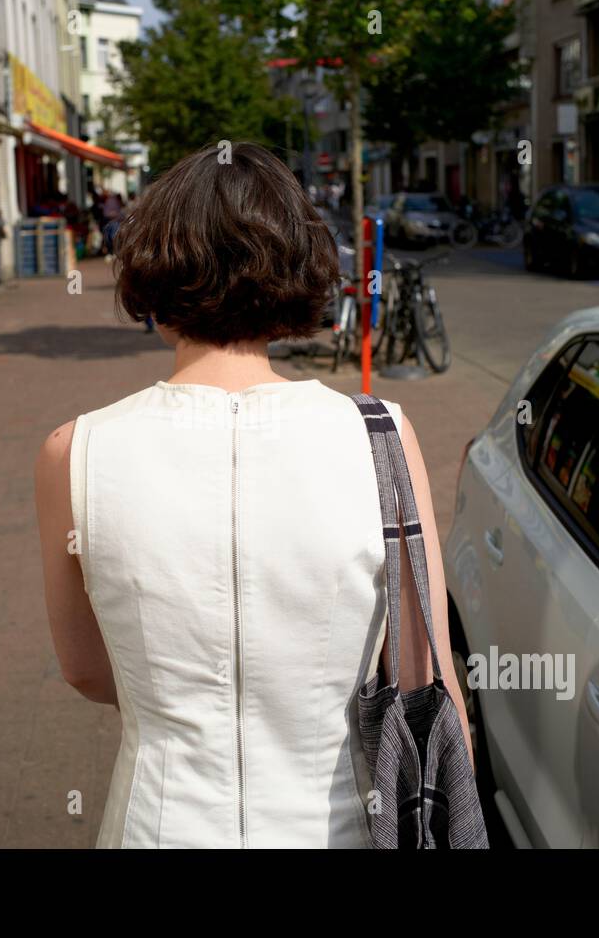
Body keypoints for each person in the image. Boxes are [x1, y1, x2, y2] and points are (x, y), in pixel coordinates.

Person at [33, 142, 475, 848]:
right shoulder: (383, 437)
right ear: (297, 269)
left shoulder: (73, 451)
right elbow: (425, 674)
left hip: (154, 824)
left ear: (151, 271)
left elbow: (86, 671)